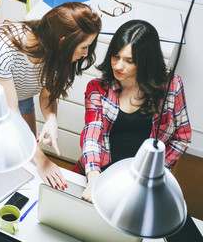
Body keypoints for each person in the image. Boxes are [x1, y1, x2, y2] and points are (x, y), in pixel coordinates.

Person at [0, 2, 102, 188]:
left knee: (25, 153)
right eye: (84, 47)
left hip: (21, 90)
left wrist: (52, 119)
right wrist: (43, 161)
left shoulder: (57, 51)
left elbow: (47, 96)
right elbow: (11, 116)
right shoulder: (3, 48)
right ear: (63, 41)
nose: (85, 54)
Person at [72, 20, 191, 202]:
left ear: (146, 62)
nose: (119, 66)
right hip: (99, 170)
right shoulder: (98, 88)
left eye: (129, 61)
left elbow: (182, 137)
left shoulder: (171, 86)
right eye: (115, 56)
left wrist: (153, 173)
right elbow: (91, 135)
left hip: (142, 180)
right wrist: (94, 177)